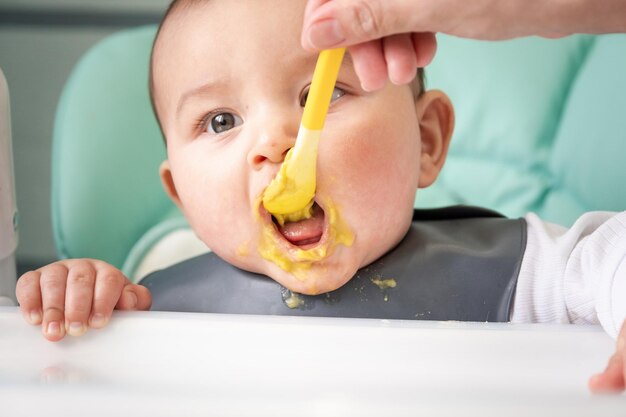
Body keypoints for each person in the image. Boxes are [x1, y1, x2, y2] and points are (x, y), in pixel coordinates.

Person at [15, 0, 625, 393]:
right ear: (182, 196)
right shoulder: (155, 301)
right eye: (221, 121)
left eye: (320, 94)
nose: (274, 141)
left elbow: (610, 255)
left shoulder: (524, 273)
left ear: (428, 139)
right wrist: (81, 304)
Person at [300, 0, 626, 91]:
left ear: (428, 139)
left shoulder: (562, 259)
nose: (268, 143)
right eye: (243, 121)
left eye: (331, 93)